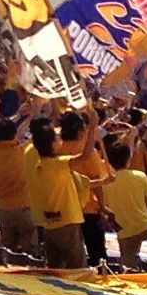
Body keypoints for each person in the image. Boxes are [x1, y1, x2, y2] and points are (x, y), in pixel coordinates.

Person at [27, 108, 104, 269]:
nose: (59, 138)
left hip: (50, 224)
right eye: (56, 138)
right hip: (67, 222)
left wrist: (102, 182)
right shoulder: (58, 164)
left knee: (56, 268)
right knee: (77, 267)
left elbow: (77, 183)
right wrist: (92, 127)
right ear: (52, 144)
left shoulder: (39, 165)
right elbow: (85, 154)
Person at [57, 110, 110, 266]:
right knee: (97, 255)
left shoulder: (56, 150)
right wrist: (102, 207)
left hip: (64, 209)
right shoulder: (88, 153)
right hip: (87, 209)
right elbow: (97, 182)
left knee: (69, 256)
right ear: (80, 131)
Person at [0, 117, 37, 255]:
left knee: (8, 251)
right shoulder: (23, 152)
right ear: (14, 134)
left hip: (4, 209)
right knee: (30, 252)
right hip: (26, 207)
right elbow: (35, 137)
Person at [102, 139, 147, 271]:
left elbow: (105, 208)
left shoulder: (106, 182)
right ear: (128, 159)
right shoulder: (140, 176)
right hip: (146, 226)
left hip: (124, 232)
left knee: (127, 268)